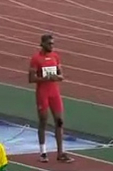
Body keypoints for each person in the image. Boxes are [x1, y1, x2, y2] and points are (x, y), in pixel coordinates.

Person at [29, 34, 75, 164]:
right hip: (42, 93)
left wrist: (58, 77)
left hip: (54, 93)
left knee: (59, 121)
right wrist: (46, 78)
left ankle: (61, 153)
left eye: (53, 44)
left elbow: (61, 75)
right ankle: (43, 152)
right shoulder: (36, 59)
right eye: (49, 44)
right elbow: (31, 79)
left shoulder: (55, 56)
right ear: (42, 44)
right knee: (43, 121)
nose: (51, 46)